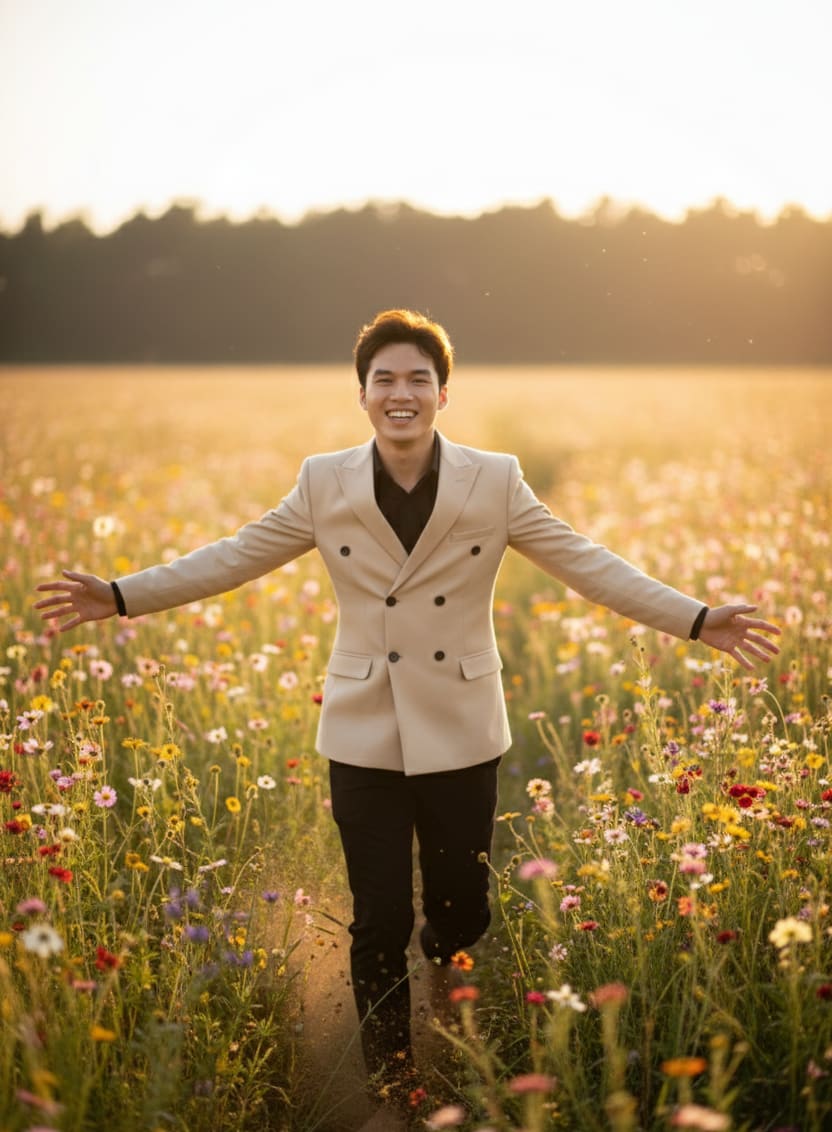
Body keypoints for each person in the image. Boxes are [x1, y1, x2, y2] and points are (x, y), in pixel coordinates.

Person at [35, 309, 780, 1111]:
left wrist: (698, 619)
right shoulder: (324, 481)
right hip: (363, 730)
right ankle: (394, 1084)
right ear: (361, 395)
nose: (401, 393)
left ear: (443, 394)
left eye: (417, 380)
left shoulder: (493, 479)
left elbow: (585, 563)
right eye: (384, 379)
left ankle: (447, 987)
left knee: (461, 914)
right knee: (378, 916)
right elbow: (234, 556)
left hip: (462, 726)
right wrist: (118, 596)